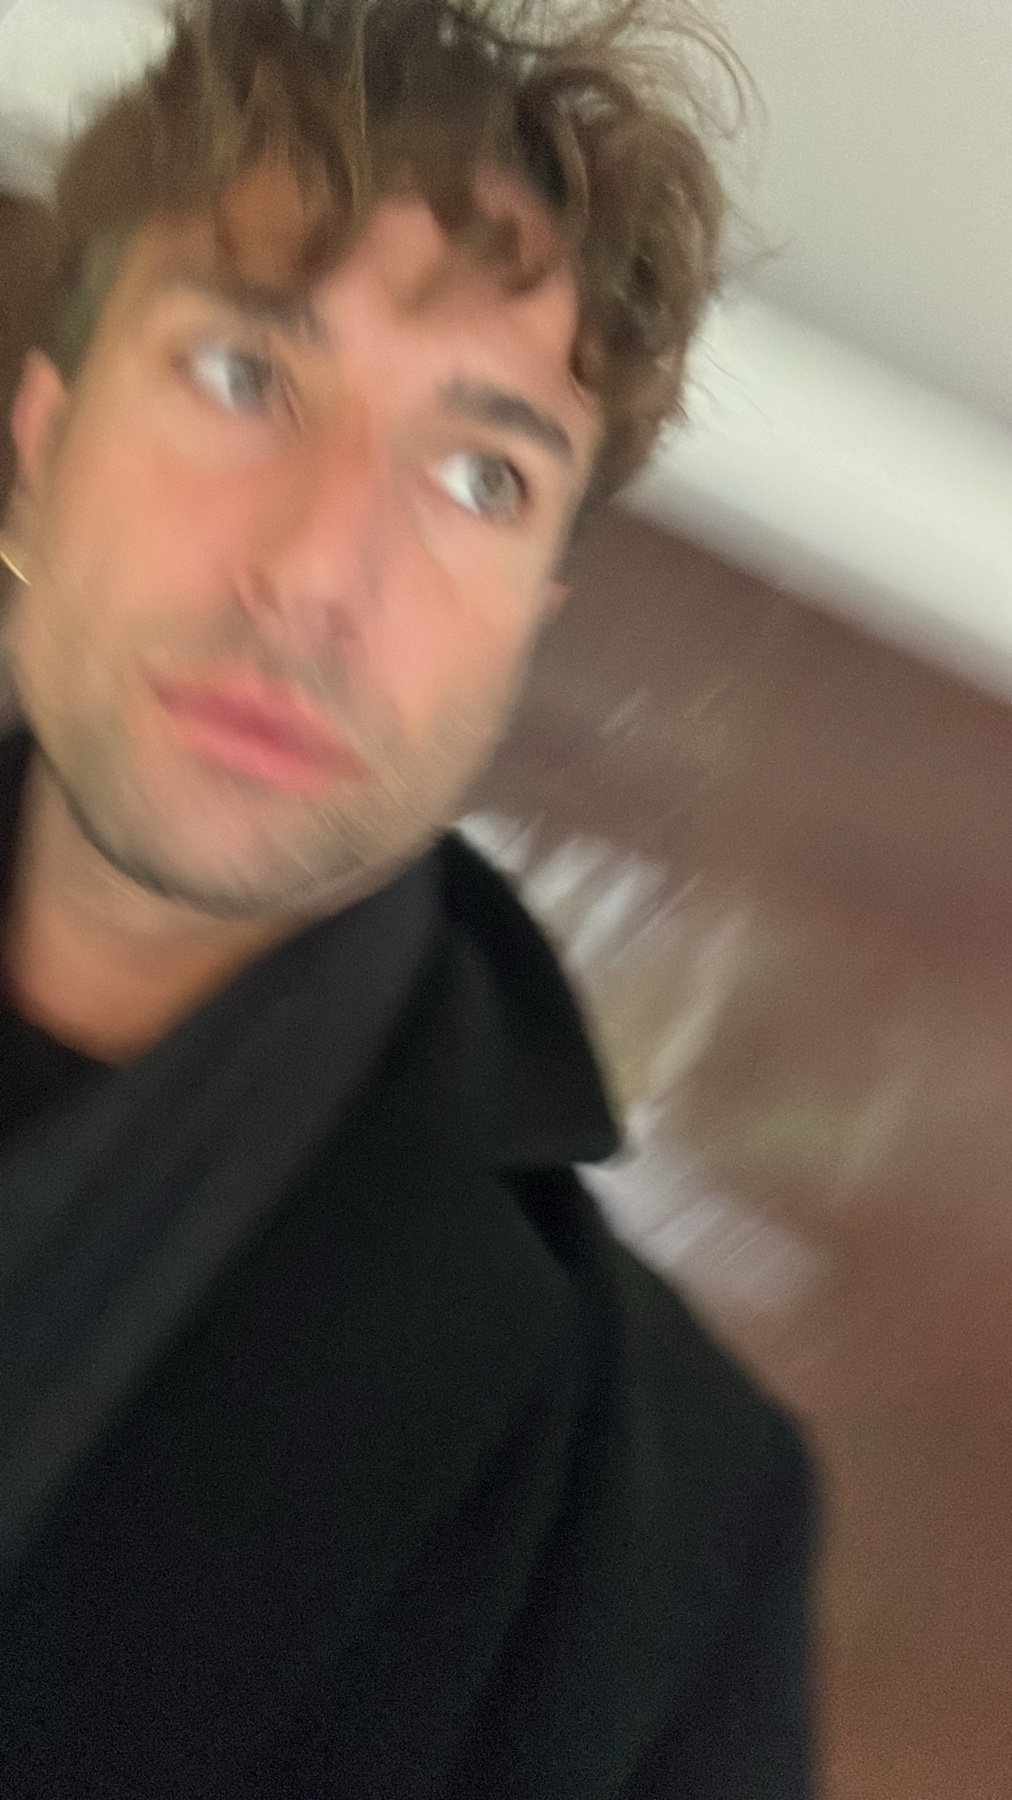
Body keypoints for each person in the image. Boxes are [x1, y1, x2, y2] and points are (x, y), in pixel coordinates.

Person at [0, 0, 814, 1792]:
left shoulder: (659, 1535)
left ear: (531, 615)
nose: (319, 571)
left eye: (476, 476)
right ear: (40, 447)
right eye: (242, 375)